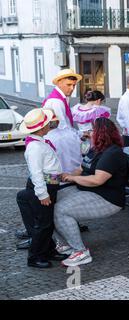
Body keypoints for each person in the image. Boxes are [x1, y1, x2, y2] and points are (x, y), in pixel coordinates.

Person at [53, 118, 129, 267]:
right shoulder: (95, 149)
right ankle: (64, 244)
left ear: (101, 133)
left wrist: (72, 178)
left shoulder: (112, 153)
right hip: (88, 190)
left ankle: (81, 252)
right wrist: (63, 177)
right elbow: (81, 169)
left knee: (60, 210)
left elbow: (97, 180)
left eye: (92, 130)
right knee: (50, 199)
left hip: (107, 198)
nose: (88, 133)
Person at [16, 108, 68, 269]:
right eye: (47, 123)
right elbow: (36, 172)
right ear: (41, 128)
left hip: (49, 185)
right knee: (43, 223)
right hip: (44, 187)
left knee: (47, 222)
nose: (49, 125)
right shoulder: (35, 148)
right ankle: (35, 256)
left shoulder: (39, 142)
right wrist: (42, 194)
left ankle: (48, 250)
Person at [43, 69, 83, 175]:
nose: (72, 88)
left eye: (74, 85)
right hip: (60, 140)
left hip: (60, 138)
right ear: (59, 82)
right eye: (69, 85)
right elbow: (63, 126)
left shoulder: (61, 97)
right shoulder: (57, 101)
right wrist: (79, 135)